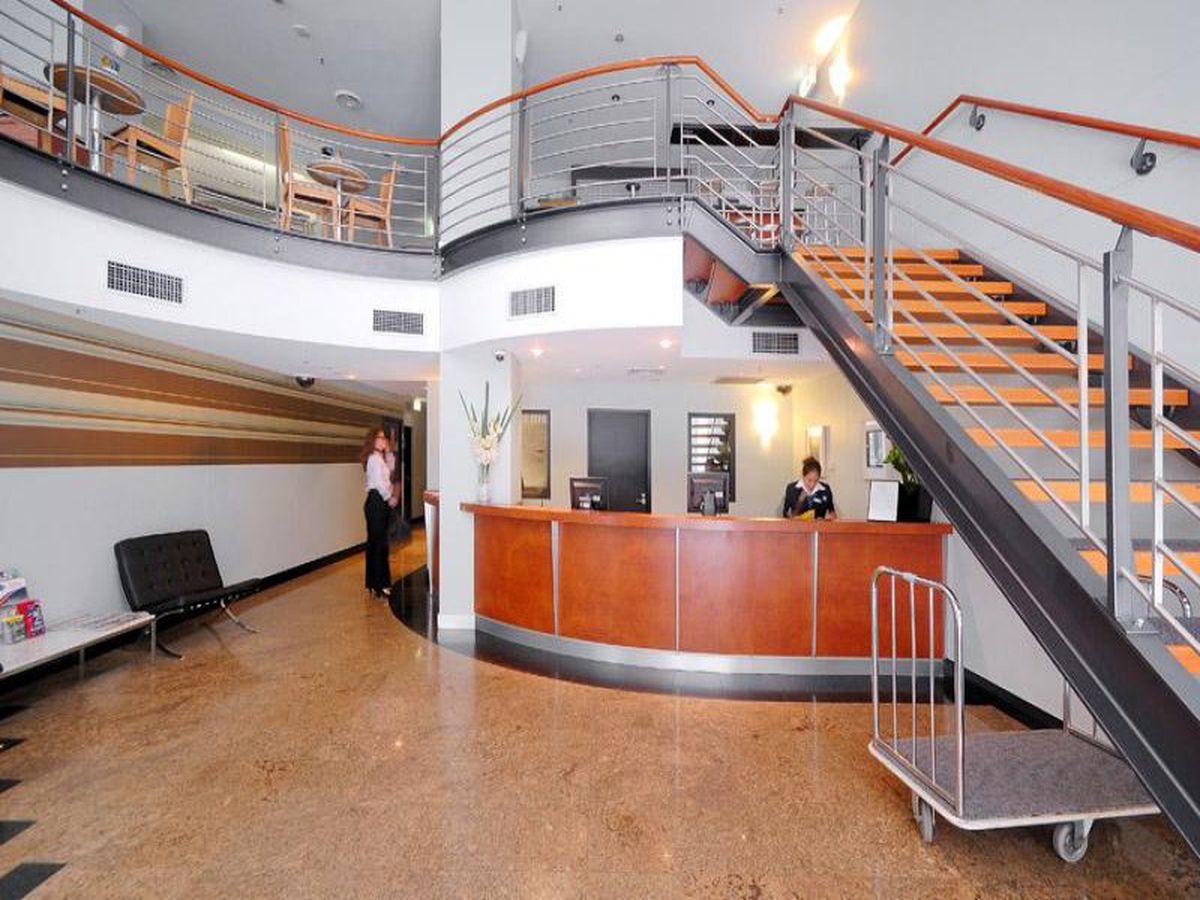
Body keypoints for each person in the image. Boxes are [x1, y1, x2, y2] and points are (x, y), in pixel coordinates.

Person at [361, 427, 398, 597]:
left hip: (378, 502)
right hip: (376, 502)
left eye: (385, 438)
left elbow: (390, 470)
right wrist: (390, 498)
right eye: (381, 438)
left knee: (377, 543)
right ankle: (380, 584)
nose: (384, 440)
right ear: (373, 440)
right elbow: (379, 484)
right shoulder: (373, 460)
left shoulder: (379, 459)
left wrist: (389, 452)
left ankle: (375, 583)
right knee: (379, 544)